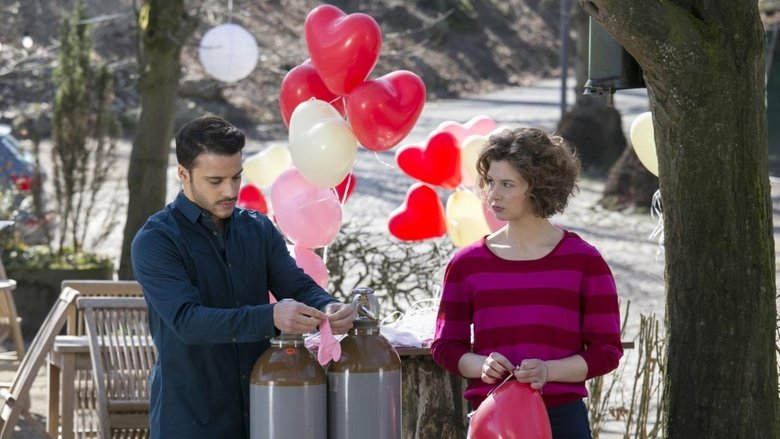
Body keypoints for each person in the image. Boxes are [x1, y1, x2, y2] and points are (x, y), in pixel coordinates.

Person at [131, 115, 355, 438]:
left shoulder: (258, 229)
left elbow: (295, 285)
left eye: (236, 177)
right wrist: (271, 317)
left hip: (263, 413)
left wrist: (328, 305)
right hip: (191, 420)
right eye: (215, 181)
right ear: (183, 174)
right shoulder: (156, 240)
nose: (230, 190)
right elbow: (188, 322)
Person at [430, 127, 623, 438]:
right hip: (493, 419)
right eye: (490, 181)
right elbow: (445, 347)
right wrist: (481, 365)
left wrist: (549, 371)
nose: (493, 194)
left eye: (507, 184)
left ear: (539, 187)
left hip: (563, 420)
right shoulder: (467, 264)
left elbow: (607, 351)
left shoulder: (584, 262)